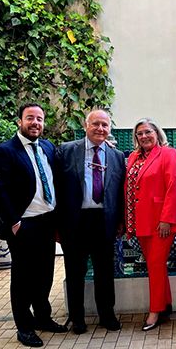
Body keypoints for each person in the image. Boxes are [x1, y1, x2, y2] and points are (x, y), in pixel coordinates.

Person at [0, 104, 67, 347]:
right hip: (23, 224)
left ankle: (43, 317)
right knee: (23, 277)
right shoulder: (5, 151)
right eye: (30, 118)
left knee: (45, 273)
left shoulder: (47, 147)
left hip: (47, 220)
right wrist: (13, 222)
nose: (35, 123)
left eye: (39, 119)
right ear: (20, 121)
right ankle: (24, 327)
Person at [54, 109, 126, 335]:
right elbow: (56, 188)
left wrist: (121, 220)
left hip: (104, 220)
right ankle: (77, 318)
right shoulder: (66, 151)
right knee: (75, 272)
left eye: (105, 125)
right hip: (75, 221)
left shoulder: (116, 156)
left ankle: (107, 315)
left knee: (105, 271)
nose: (100, 129)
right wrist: (57, 224)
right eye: (95, 124)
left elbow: (119, 192)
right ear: (86, 125)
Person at [125, 118, 176, 331]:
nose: (144, 136)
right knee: (154, 265)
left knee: (156, 265)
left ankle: (155, 311)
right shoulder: (134, 157)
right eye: (140, 133)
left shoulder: (168, 154)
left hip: (161, 223)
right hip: (141, 221)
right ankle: (166, 304)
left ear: (157, 133)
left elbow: (173, 187)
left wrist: (167, 219)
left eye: (148, 132)